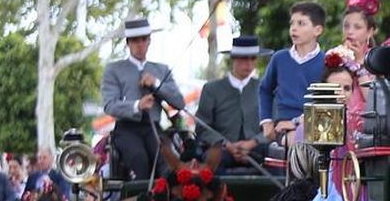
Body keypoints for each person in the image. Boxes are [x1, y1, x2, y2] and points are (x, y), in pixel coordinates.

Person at [101, 15, 185, 182]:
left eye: (143, 39)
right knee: (139, 160)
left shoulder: (161, 70)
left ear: (149, 41)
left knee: (167, 161)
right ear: (128, 43)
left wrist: (156, 83)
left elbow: (179, 102)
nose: (140, 44)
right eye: (134, 40)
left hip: (153, 127)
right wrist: (137, 105)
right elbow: (109, 105)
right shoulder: (114, 70)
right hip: (126, 129)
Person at [198, 35, 273, 171]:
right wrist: (226, 144)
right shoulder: (212, 89)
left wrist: (252, 143)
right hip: (221, 151)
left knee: (273, 160)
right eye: (244, 58)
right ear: (233, 58)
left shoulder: (264, 88)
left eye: (253, 58)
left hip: (257, 150)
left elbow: (272, 126)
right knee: (212, 162)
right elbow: (202, 127)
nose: (249, 63)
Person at [259, 1, 328, 147]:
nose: (294, 28)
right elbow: (265, 89)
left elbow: (327, 102)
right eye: (292, 23)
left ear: (318, 30)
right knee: (296, 140)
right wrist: (266, 121)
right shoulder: (279, 58)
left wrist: (298, 122)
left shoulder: (327, 62)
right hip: (283, 127)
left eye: (301, 23)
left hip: (316, 124)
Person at [337, 0, 380, 64]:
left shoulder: (377, 60)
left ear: (370, 32)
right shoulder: (333, 57)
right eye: (346, 26)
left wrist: (359, 59)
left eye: (357, 27)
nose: (350, 31)